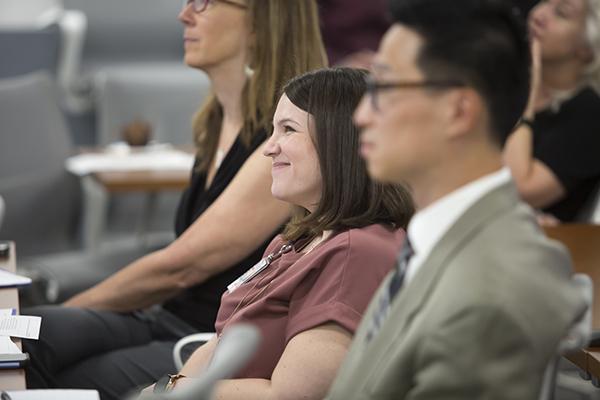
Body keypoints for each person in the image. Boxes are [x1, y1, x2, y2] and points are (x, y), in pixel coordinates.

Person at [23, 0, 327, 399]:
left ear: (259, 23)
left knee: (52, 369)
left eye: (204, 4)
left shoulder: (280, 148)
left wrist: (76, 306)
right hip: (162, 317)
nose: (184, 15)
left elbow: (182, 266)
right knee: (23, 332)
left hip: (204, 339)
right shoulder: (215, 123)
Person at [326, 0, 586, 398]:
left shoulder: (487, 299)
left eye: (382, 87)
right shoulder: (438, 238)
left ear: (458, 110)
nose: (361, 115)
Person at [152, 67, 413, 400]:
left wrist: (173, 391)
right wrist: (171, 387)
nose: (269, 148)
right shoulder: (296, 241)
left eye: (287, 130)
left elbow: (290, 396)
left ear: (340, 143)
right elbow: (219, 340)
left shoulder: (355, 254)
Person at [504, 0, 600, 222]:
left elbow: (518, 188)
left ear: (586, 49)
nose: (540, 14)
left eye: (561, 13)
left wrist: (528, 94)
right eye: (546, 2)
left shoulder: (590, 115)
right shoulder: (500, 80)